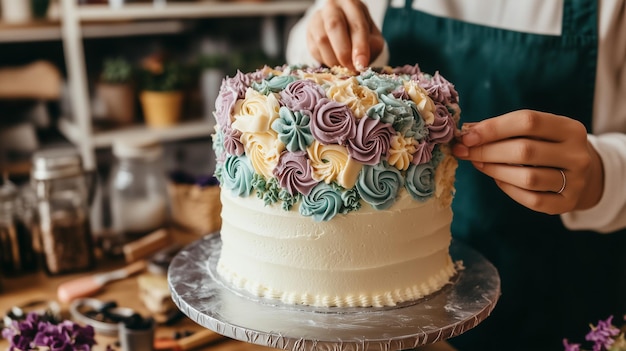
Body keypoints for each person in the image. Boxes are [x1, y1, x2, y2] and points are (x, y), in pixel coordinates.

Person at [285, 1, 626, 350]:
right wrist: (327, 33)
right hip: (380, 306)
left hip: (557, 299)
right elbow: (304, 48)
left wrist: (605, 173)